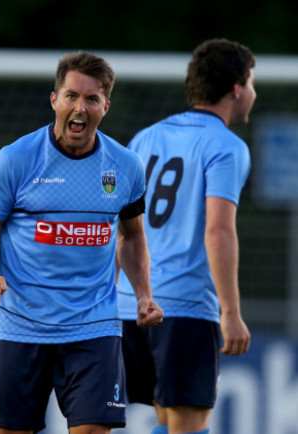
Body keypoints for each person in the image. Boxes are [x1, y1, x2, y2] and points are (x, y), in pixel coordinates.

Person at [0, 51, 164, 434]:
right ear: (54, 100)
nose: (80, 107)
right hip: (21, 324)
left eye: (92, 99)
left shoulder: (125, 167)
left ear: (105, 107)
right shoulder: (15, 160)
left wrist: (143, 295)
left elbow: (132, 235)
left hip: (94, 325)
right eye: (72, 95)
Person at [117, 38, 256, 434]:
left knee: (165, 416)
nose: (253, 92)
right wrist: (230, 312)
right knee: (188, 424)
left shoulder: (145, 138)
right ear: (235, 89)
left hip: (130, 306)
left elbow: (121, 227)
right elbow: (218, 228)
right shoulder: (226, 146)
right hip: (185, 308)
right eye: (251, 83)